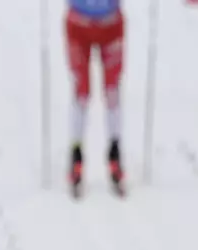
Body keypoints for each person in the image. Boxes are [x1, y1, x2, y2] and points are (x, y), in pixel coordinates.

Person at [65, 0, 126, 196]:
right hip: (78, 24)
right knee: (81, 91)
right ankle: (76, 154)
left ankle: (115, 153)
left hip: (111, 25)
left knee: (112, 91)